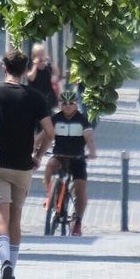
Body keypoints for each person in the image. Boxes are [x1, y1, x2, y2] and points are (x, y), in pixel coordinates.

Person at [0, 48, 53, 279]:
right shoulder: (35, 97)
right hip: (23, 165)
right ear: (25, 68)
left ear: (4, 68)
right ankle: (13, 266)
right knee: (16, 219)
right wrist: (38, 154)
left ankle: (4, 262)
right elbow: (49, 131)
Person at [42, 90, 97, 236]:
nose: (67, 106)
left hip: (77, 158)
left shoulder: (82, 119)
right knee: (49, 167)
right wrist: (34, 146)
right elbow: (44, 135)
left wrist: (92, 151)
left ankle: (77, 221)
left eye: (71, 103)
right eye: (64, 103)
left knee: (80, 189)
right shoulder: (55, 118)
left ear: (76, 105)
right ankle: (50, 194)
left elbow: (89, 137)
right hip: (59, 156)